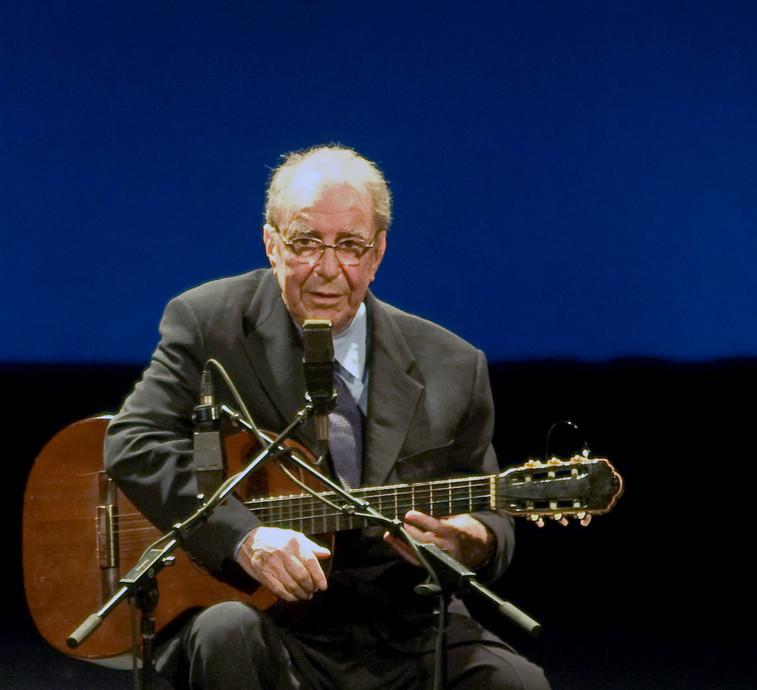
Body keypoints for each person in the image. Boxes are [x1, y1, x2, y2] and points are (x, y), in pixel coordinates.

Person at [104, 144, 549, 689]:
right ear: (271, 243)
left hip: (402, 628)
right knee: (225, 634)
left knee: (516, 683)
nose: (329, 269)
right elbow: (134, 441)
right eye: (306, 243)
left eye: (351, 246)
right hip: (261, 617)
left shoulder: (454, 365)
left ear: (379, 252)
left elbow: (489, 507)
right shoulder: (209, 324)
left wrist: (473, 538)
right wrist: (244, 537)